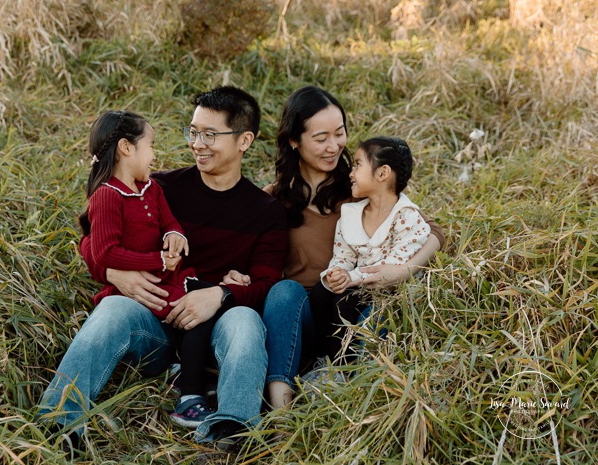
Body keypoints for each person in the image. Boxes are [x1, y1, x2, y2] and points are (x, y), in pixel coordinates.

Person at [37, 86, 287, 450]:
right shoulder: (160, 187)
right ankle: (58, 423)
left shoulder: (265, 211)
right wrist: (112, 274)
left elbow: (267, 282)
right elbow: (93, 237)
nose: (197, 143)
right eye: (193, 131)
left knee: (246, 320)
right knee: (112, 306)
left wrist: (219, 294)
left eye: (210, 134)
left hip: (216, 332)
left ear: (244, 140)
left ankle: (232, 431)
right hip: (155, 322)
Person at [223, 86, 445, 410]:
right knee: (285, 291)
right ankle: (281, 415)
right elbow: (239, 252)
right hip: (302, 318)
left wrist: (403, 270)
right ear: (294, 141)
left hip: (356, 309)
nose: (333, 146)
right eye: (321, 137)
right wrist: (234, 273)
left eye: (339, 134)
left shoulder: (361, 187)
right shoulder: (273, 200)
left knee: (384, 306)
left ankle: (353, 391)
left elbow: (433, 231)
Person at [77, 110, 218, 429]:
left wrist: (174, 234)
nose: (155, 155)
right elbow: (102, 250)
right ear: (127, 148)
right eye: (151, 145)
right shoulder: (107, 196)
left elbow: (169, 221)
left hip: (170, 282)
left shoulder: (151, 189)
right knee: (194, 311)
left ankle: (187, 375)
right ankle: (189, 395)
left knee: (212, 301)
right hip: (146, 294)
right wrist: (157, 261)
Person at [309, 137, 431, 361]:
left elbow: (393, 265)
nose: (351, 173)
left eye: (357, 165)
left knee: (345, 302)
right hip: (361, 283)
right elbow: (342, 257)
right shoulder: (351, 215)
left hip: (392, 290)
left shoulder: (406, 216)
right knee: (320, 294)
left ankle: (343, 366)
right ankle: (324, 358)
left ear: (383, 173)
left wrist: (350, 277)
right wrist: (336, 274)